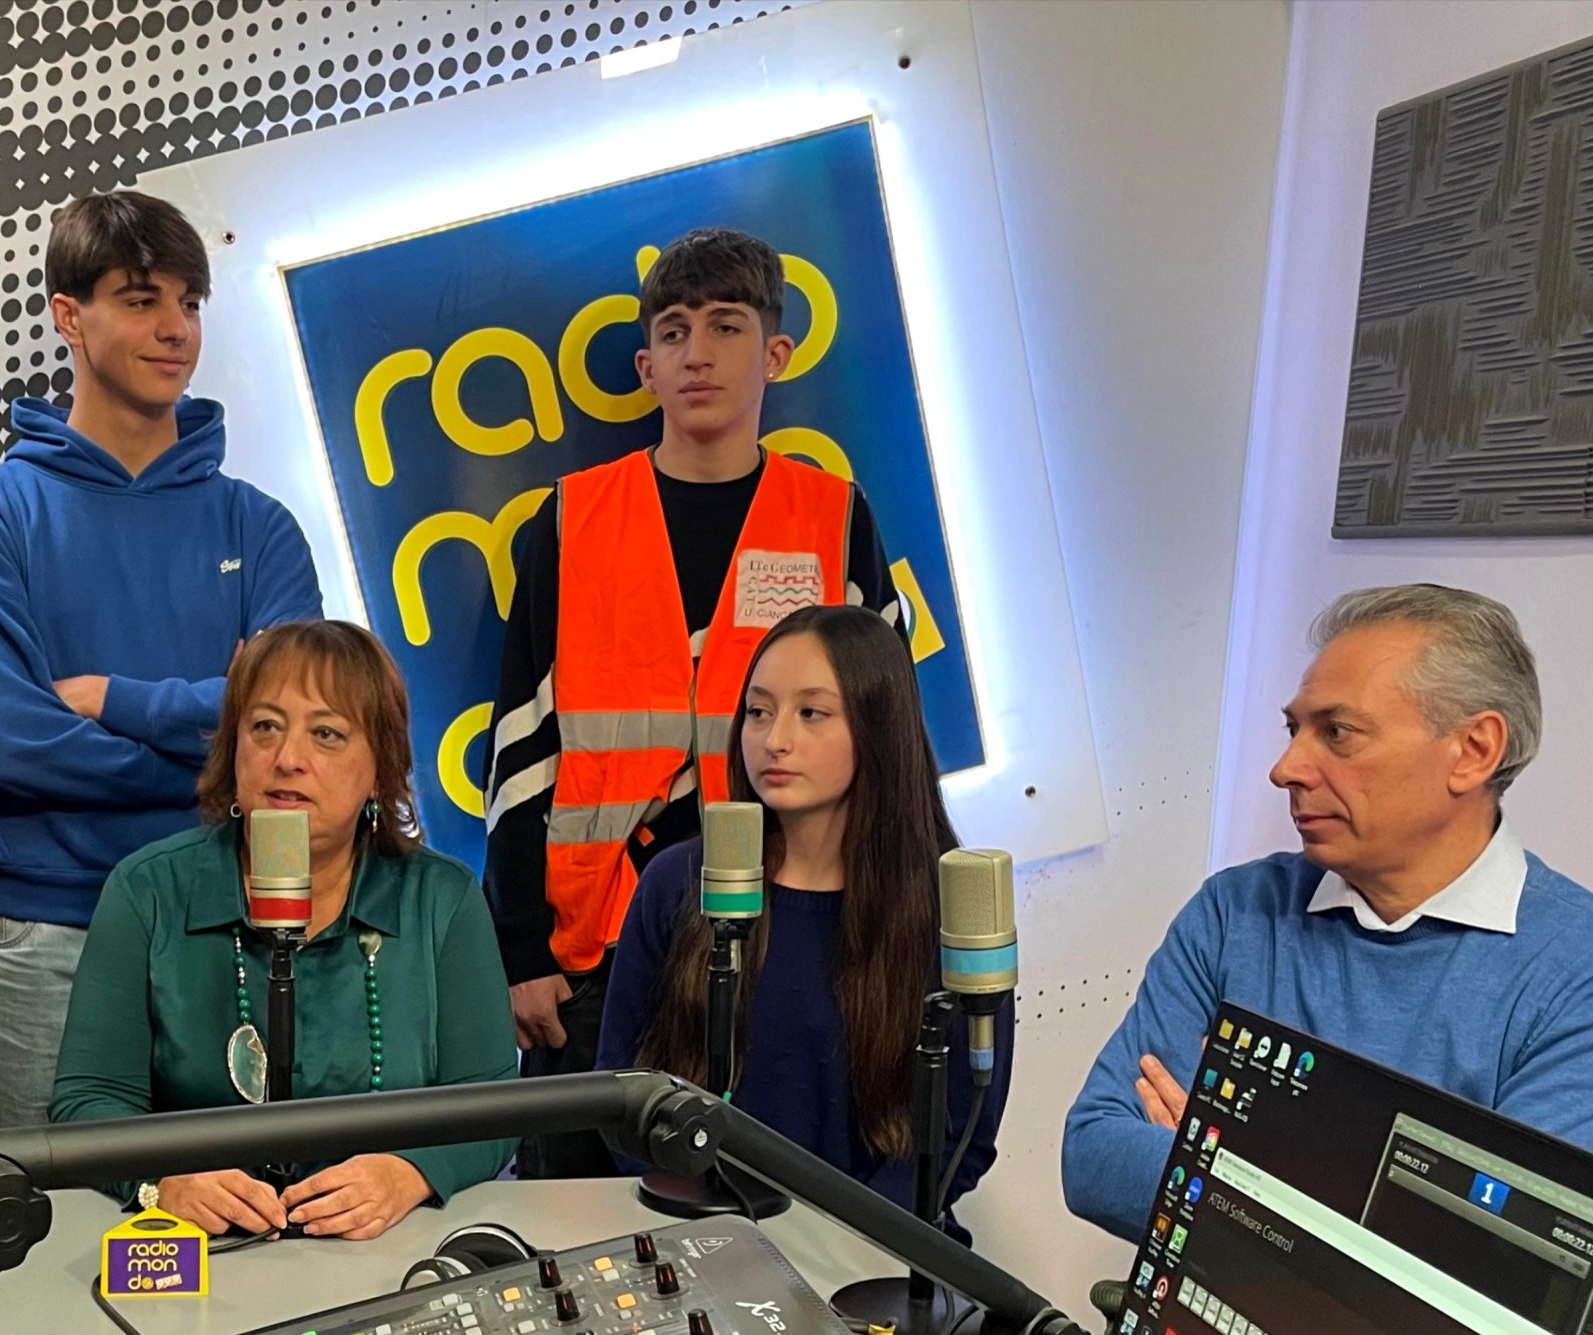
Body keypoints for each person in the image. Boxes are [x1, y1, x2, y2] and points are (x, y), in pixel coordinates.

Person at [482, 225, 902, 1178]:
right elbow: (519, 748)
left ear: (776, 352)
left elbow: (886, 741)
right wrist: (520, 952)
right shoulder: (572, 519)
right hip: (590, 955)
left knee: (776, 1212)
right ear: (646, 366)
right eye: (672, 331)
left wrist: (883, 922)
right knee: (582, 1217)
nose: (696, 353)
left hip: (792, 938)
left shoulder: (834, 518)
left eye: (725, 326)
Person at [1065, 583, 1593, 1239]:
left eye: (1337, 732)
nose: (1285, 768)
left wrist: (1233, 1146)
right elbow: (1094, 1156)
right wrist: (1371, 1196)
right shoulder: (1235, 912)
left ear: (1473, 750)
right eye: (1294, 730)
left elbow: (1495, 1257)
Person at [0, 188, 323, 1130]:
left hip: (230, 925)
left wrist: (115, 699)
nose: (175, 328)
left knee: (242, 1205)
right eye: (142, 299)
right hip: (47, 936)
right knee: (45, 1213)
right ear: (70, 316)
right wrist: (219, 732)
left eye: (190, 301)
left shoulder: (260, 527)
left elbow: (294, 738)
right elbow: (9, 741)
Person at [51, 619, 515, 1239]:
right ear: (233, 749)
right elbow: (87, 1100)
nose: (288, 759)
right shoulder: (148, 890)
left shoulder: (442, 898)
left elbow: (492, 1105)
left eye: (326, 734)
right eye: (265, 727)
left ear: (380, 768)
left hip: (388, 1244)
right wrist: (164, 1178)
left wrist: (410, 1173)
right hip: (203, 1247)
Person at [596, 606, 1007, 1227]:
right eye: (758, 712)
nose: (774, 740)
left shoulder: (947, 909)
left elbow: (960, 1137)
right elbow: (620, 1093)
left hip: (874, 1255)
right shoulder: (676, 884)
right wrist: (708, 1223)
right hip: (701, 1242)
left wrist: (837, 1243)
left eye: (811, 713)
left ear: (878, 727)